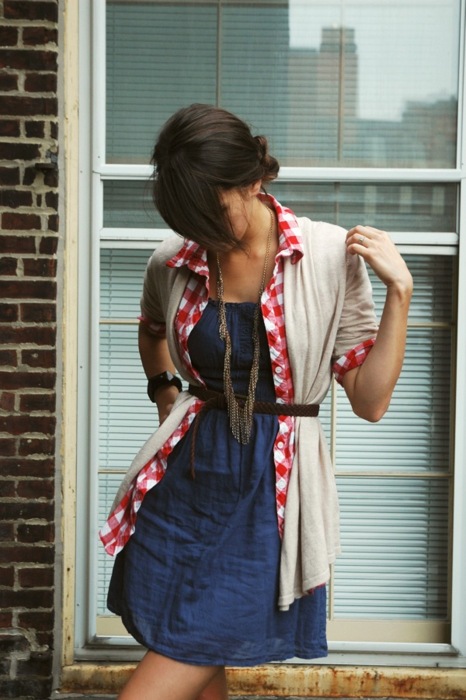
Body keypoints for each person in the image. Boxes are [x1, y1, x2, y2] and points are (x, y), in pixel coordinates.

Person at [99, 103, 413, 700]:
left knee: (179, 658)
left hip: (270, 497)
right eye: (190, 221)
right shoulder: (174, 259)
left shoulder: (327, 257)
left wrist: (400, 292)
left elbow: (370, 401)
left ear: (253, 178)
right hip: (187, 482)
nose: (205, 234)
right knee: (197, 660)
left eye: (214, 214)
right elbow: (151, 329)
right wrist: (165, 393)